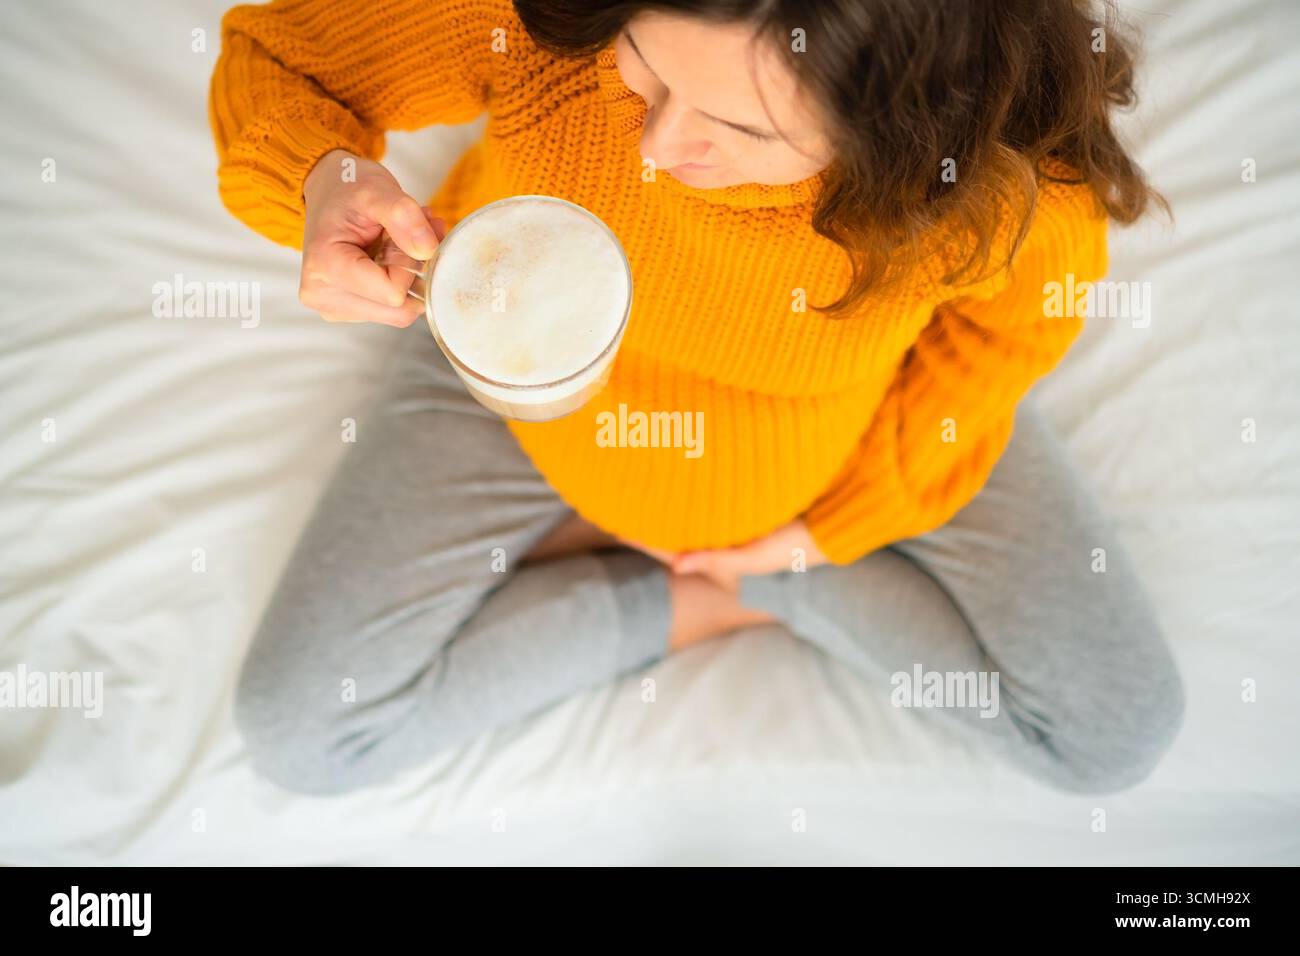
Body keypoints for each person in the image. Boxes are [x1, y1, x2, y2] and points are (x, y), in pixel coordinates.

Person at [209, 0, 1184, 796]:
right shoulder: (540, 27)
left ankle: (744, 582)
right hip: (509, 355)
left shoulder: (996, 190)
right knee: (302, 732)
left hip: (856, 413)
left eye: (742, 125)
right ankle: (679, 593)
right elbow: (282, 56)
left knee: (1114, 729)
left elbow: (1004, 339)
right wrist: (321, 179)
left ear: (903, 128)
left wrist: (826, 535)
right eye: (645, 61)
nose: (658, 142)